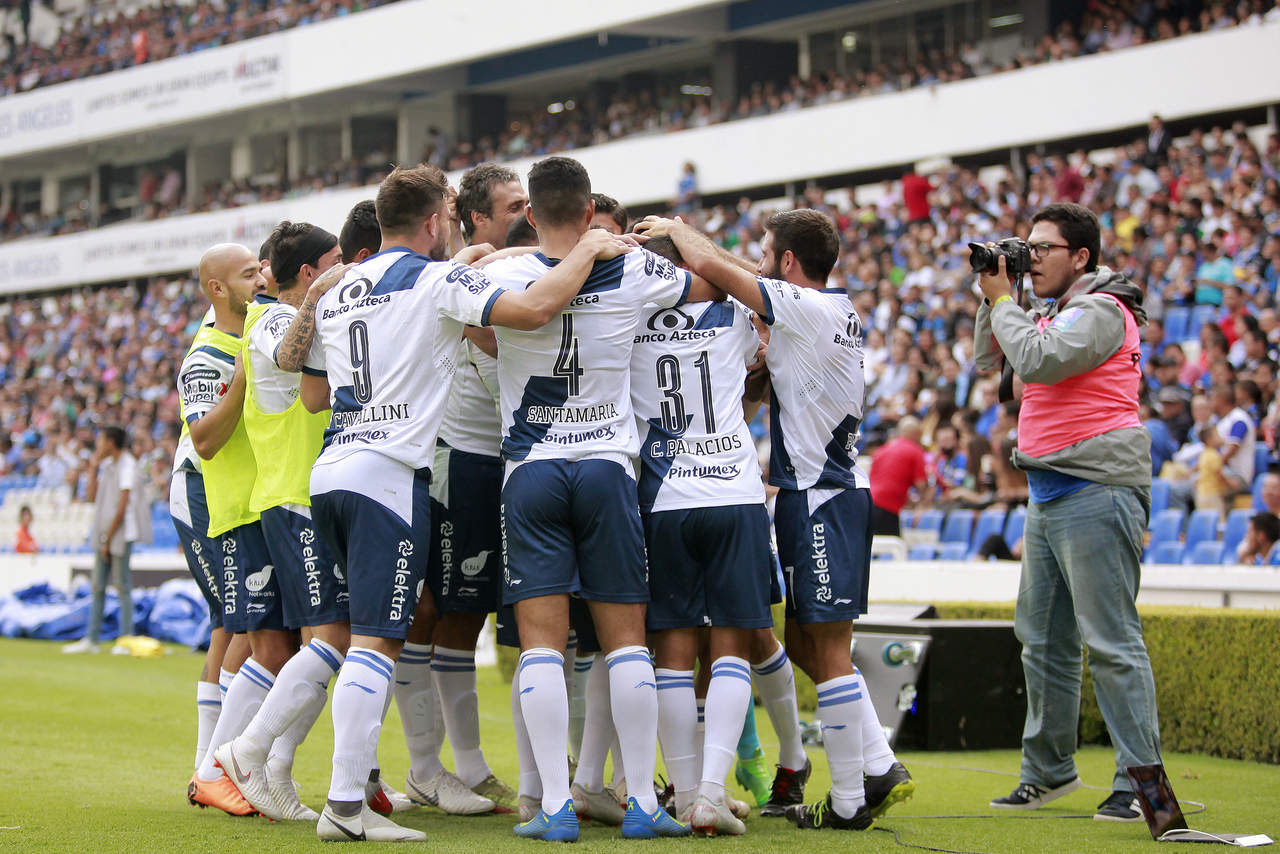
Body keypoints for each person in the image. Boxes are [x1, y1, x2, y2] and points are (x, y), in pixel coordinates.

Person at [296, 163, 630, 843]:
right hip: (389, 477)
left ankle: (359, 790)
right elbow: (534, 310)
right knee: (376, 644)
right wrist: (592, 247)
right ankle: (345, 808)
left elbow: (309, 387)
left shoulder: (339, 287)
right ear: (434, 222)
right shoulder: (437, 280)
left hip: (331, 470)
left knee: (368, 637)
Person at [638, 209, 913, 831]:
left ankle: (849, 801)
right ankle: (877, 761)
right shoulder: (828, 309)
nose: (758, 264)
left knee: (828, 651)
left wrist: (679, 230)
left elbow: (711, 267)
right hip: (806, 493)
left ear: (787, 262)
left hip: (822, 495)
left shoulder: (805, 307)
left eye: (766, 255)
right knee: (806, 646)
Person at [482, 156, 719, 842]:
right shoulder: (641, 271)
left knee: (542, 649)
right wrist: (657, 236)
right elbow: (702, 284)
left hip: (530, 469)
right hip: (608, 467)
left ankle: (555, 804)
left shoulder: (503, 274)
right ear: (592, 213)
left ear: (530, 212)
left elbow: (474, 327)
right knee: (626, 647)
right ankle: (642, 801)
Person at [975, 202, 1162, 822]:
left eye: (1043, 248)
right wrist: (994, 294)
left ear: (1081, 257)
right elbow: (993, 365)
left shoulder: (1104, 310)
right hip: (1051, 488)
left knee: (1110, 643)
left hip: (1098, 486)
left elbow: (1038, 362)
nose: (1031, 258)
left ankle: (1142, 787)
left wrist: (1007, 301)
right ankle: (1048, 772)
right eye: (1025, 247)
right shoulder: (1052, 313)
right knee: (1043, 642)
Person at [629, 234, 769, 835]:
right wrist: (696, 239)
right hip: (733, 490)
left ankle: (685, 796)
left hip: (663, 495)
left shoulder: (626, 313)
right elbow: (763, 287)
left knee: (674, 655)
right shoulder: (733, 310)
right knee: (732, 646)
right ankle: (713, 794)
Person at [212, 220, 349, 822]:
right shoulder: (268, 319)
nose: (347, 267)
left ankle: (271, 767)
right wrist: (323, 296)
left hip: (310, 495)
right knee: (330, 640)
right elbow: (292, 355)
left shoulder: (299, 315)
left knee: (328, 643)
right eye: (336, 260)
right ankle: (244, 755)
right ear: (308, 272)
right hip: (292, 498)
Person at [64, 425, 137, 655]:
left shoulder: (128, 466)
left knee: (122, 587)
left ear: (111, 443)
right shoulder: (106, 465)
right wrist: (93, 468)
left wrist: (107, 538)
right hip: (104, 532)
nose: (98, 445)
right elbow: (91, 497)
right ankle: (92, 639)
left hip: (121, 534)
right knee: (98, 587)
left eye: (101, 440)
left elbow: (122, 507)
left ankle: (126, 640)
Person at [868, 417, 928, 535]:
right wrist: (922, 506)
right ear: (917, 434)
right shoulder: (915, 451)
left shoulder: (883, 450)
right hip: (887, 507)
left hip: (869, 502)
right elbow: (921, 485)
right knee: (893, 547)